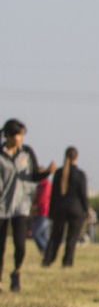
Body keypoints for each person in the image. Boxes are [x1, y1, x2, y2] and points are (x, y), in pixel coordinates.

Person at [0, 119, 55, 291]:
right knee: (0, 246)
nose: (20, 138)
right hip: (1, 206)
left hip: (21, 206)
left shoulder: (27, 153)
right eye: (18, 134)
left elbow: (33, 176)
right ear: (8, 135)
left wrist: (47, 173)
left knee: (20, 245)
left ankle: (16, 272)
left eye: (22, 135)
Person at [43, 146, 89, 268]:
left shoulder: (58, 173)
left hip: (60, 208)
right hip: (76, 209)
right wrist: (86, 210)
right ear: (76, 158)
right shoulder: (80, 174)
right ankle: (67, 262)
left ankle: (48, 259)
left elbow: (53, 195)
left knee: (55, 236)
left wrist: (51, 211)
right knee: (72, 238)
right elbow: (83, 195)